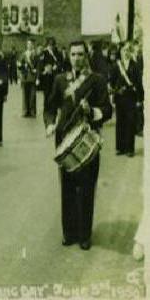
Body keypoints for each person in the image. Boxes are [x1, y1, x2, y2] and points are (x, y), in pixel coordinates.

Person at [44, 41, 112, 250]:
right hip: (65, 141)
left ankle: (84, 234)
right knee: (67, 187)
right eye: (73, 54)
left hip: (87, 141)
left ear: (86, 56)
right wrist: (50, 124)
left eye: (80, 54)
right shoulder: (60, 80)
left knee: (86, 188)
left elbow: (108, 110)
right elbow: (49, 107)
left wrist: (91, 111)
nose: (76, 58)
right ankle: (69, 232)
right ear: (69, 56)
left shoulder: (97, 80)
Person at [110, 41, 144, 157]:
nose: (126, 53)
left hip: (131, 98)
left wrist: (140, 99)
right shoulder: (116, 65)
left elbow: (139, 83)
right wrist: (116, 90)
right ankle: (120, 148)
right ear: (121, 52)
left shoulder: (134, 65)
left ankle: (130, 149)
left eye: (128, 51)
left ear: (130, 52)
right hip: (120, 97)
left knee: (130, 122)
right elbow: (112, 82)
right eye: (124, 51)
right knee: (120, 122)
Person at [38, 37, 62, 110]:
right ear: (47, 45)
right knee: (47, 93)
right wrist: (45, 68)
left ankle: (53, 107)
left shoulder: (57, 53)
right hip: (47, 77)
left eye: (53, 45)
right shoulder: (44, 53)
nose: (51, 47)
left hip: (55, 76)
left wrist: (56, 66)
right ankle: (47, 108)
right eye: (50, 45)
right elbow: (40, 64)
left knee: (54, 92)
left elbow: (60, 62)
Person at [17, 38, 38, 117]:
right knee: (25, 95)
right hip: (25, 76)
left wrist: (36, 73)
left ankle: (32, 111)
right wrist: (21, 66)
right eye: (28, 44)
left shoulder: (36, 54)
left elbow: (38, 65)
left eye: (31, 44)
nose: (29, 46)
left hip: (33, 76)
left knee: (33, 95)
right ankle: (25, 111)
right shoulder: (23, 54)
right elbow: (19, 65)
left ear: (33, 45)